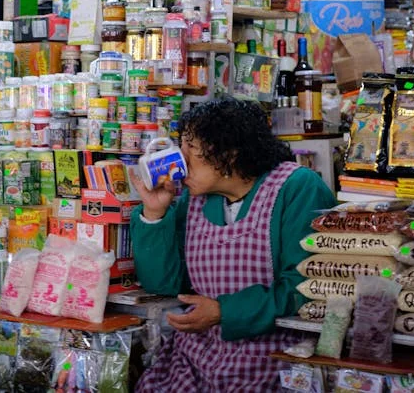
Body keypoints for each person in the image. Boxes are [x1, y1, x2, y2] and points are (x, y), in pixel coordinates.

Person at [129, 98, 337, 392]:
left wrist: (224, 312)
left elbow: (307, 288)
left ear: (230, 152)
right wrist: (154, 213)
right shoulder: (195, 199)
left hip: (275, 359)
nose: (180, 159)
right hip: (197, 357)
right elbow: (164, 285)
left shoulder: (296, 187)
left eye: (191, 148)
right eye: (181, 146)